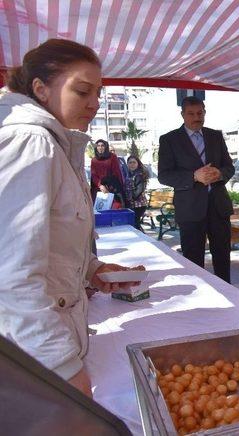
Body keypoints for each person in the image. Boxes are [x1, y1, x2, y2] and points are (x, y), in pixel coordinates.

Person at [0, 39, 139, 397]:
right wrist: (61, 365)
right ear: (40, 89)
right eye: (82, 91)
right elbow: (12, 275)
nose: (94, 103)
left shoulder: (58, 143)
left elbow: (47, 239)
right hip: (35, 358)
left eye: (98, 92)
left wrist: (91, 269)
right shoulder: (32, 141)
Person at [158, 96, 235, 282]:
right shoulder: (169, 140)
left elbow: (229, 167)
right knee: (193, 259)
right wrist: (194, 176)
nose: (196, 117)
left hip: (218, 207)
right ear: (183, 115)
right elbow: (164, 175)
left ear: (205, 112)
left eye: (200, 113)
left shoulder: (215, 136)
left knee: (223, 257)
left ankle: (229, 297)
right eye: (191, 114)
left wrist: (219, 173)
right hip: (190, 210)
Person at [90, 138, 124, 205]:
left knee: (114, 206)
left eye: (102, 145)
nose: (100, 147)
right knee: (99, 207)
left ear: (106, 147)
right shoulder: (94, 160)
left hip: (112, 186)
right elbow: (94, 175)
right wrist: (100, 185)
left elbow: (116, 172)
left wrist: (111, 186)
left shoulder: (112, 157)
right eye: (98, 146)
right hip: (99, 188)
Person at [124, 155, 149, 230]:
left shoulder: (139, 175)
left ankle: (142, 238)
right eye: (130, 163)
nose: (132, 164)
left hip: (139, 205)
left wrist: (131, 198)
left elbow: (139, 190)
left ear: (138, 163)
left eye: (134, 162)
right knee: (134, 224)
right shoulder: (130, 174)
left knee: (135, 223)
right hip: (132, 204)